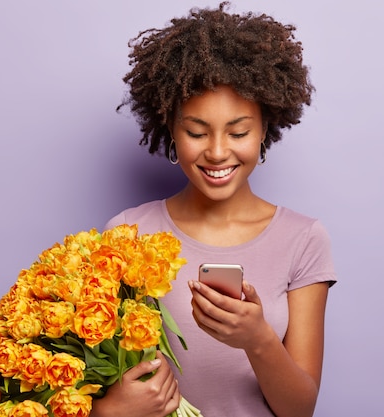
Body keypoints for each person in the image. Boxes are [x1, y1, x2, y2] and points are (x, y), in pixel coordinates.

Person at [91, 3, 337, 417]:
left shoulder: (304, 239)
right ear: (170, 127)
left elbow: (300, 410)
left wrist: (257, 339)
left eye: (238, 131)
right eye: (196, 132)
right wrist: (108, 412)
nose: (218, 152)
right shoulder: (126, 232)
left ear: (265, 129)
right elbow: (92, 370)